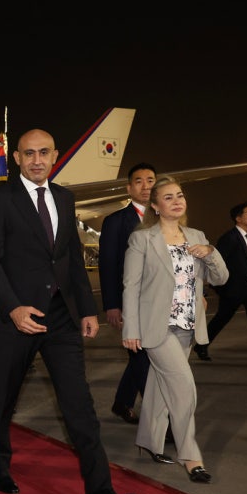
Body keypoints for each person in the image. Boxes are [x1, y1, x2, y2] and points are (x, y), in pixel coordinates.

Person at [0, 128, 140, 494]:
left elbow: (70, 258)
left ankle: (99, 492)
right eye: (28, 153)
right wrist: (14, 308)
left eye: (43, 153)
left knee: (78, 402)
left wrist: (86, 309)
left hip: (61, 316)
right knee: (3, 396)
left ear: (55, 156)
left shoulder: (65, 198)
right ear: (16, 158)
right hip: (12, 317)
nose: (36, 160)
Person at [122, 175, 229, 482]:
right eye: (168, 197)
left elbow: (220, 279)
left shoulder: (196, 235)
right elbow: (130, 286)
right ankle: (191, 455)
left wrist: (211, 252)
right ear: (155, 206)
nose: (177, 200)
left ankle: (150, 441)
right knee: (184, 388)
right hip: (156, 327)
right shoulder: (142, 239)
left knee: (159, 385)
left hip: (187, 325)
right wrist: (131, 328)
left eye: (179, 195)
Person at [98, 163, 156, 424]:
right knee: (143, 356)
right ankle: (158, 418)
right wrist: (112, 304)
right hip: (131, 301)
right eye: (140, 181)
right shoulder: (116, 221)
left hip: (161, 301)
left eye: (151, 180)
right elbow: (108, 264)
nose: (146, 186)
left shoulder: (166, 217)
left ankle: (122, 402)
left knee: (142, 354)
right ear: (129, 188)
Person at [194, 201, 247, 368]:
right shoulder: (229, 238)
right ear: (238, 218)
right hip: (232, 289)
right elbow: (217, 263)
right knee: (221, 319)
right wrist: (219, 287)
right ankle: (201, 346)